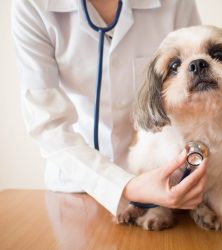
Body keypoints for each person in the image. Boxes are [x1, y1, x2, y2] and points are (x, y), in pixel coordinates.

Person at [12, 0, 207, 216]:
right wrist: (126, 186)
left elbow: (200, 94)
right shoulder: (32, 4)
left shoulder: (177, 3)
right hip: (76, 188)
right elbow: (47, 123)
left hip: (166, 187)